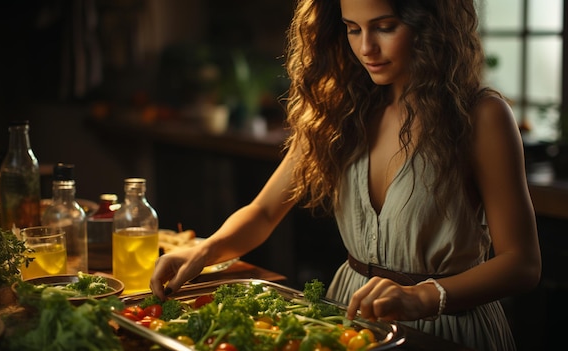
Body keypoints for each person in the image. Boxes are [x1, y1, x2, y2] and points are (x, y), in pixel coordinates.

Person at [150, 0, 541, 349]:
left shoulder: (481, 116)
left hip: (448, 328)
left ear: (431, 23)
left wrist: (424, 297)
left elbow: (522, 263)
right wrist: (203, 251)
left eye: (385, 27)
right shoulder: (339, 111)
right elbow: (265, 212)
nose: (366, 47)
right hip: (351, 321)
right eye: (353, 29)